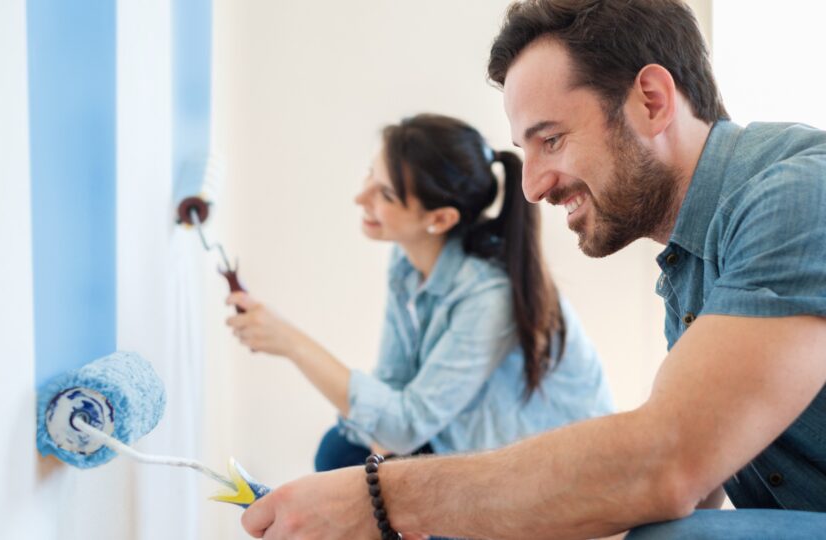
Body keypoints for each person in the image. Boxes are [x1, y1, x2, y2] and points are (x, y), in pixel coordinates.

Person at [237, 1, 826, 538]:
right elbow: (691, 487)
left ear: (652, 100)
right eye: (525, 149)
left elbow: (666, 463)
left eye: (552, 140)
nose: (535, 185)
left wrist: (382, 498)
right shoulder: (689, 270)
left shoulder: (809, 195)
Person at [226, 113, 613, 472]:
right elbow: (394, 386)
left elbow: (405, 426)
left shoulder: (490, 298)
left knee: (351, 461)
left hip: (544, 476)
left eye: (386, 195)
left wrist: (291, 343)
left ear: (440, 219)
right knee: (342, 451)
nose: (361, 198)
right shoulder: (407, 262)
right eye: (369, 176)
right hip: (460, 439)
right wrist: (387, 432)